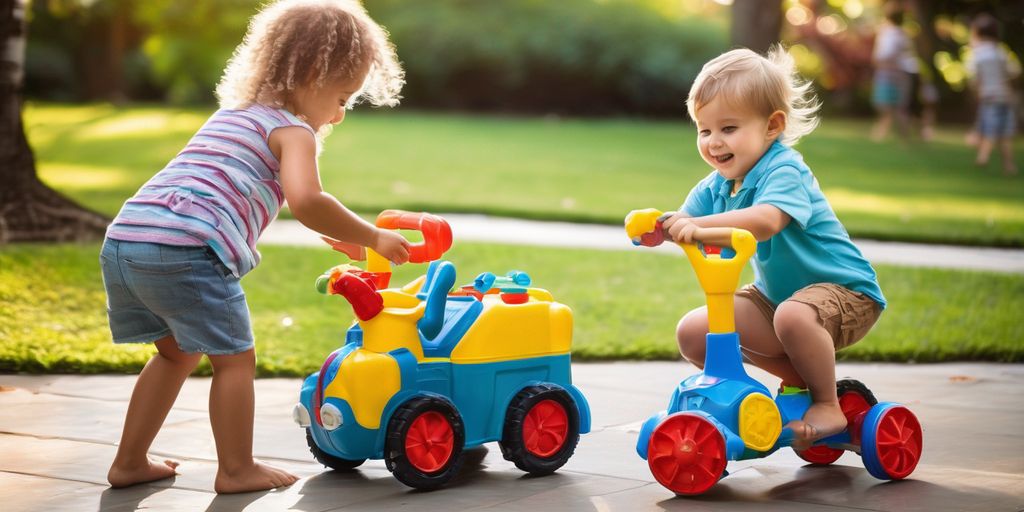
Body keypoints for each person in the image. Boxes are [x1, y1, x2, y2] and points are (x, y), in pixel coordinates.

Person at [100, 0, 410, 493]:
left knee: (175, 355)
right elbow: (308, 198)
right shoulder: (295, 131)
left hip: (129, 239)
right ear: (311, 74)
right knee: (235, 361)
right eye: (342, 96)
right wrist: (372, 236)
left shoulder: (236, 116)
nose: (340, 114)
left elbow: (242, 186)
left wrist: (336, 235)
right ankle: (237, 469)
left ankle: (130, 461)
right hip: (187, 248)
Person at [660, 46, 886, 450]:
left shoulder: (785, 169)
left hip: (846, 293)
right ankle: (800, 377)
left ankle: (826, 402)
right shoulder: (716, 185)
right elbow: (683, 218)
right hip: (777, 299)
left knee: (794, 316)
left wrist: (695, 226)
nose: (713, 142)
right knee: (695, 332)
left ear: (772, 126)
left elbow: (766, 221)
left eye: (728, 128)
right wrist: (659, 226)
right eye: (704, 129)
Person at [966, 13, 1020, 176]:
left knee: (989, 128)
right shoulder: (1001, 52)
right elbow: (1015, 71)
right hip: (1005, 96)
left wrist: (977, 89)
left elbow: (973, 77)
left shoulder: (978, 54)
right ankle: (1009, 166)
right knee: (1005, 133)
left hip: (989, 97)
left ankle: (983, 156)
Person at [870, 2, 915, 142]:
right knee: (898, 108)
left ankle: (882, 135)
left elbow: (883, 55)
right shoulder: (903, 34)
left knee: (887, 107)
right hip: (900, 73)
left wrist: (878, 61)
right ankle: (901, 136)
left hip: (888, 73)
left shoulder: (889, 34)